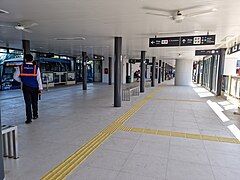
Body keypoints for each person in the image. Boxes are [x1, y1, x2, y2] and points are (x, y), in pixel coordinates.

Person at [14, 54, 43, 124]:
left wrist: (22, 80)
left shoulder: (20, 67)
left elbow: (15, 77)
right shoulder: (36, 68)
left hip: (26, 87)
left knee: (28, 103)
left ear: (25, 59)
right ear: (32, 60)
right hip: (35, 87)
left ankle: (28, 119)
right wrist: (40, 88)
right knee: (34, 101)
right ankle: (35, 115)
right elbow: (38, 79)